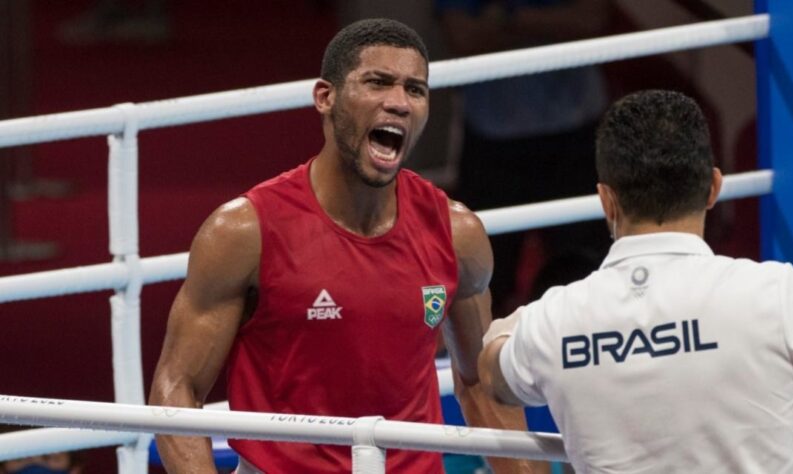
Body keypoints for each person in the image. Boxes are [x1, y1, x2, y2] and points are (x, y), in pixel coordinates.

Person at [477, 89, 793, 473]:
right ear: (714, 189)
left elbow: (492, 373)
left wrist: (504, 332)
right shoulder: (779, 297)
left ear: (606, 200)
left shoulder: (552, 324)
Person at [149, 18, 540, 473]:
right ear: (325, 97)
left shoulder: (457, 233)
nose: (398, 103)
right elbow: (177, 386)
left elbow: (479, 383)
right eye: (377, 82)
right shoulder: (244, 231)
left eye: (415, 89)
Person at [435, 0, 613, 314]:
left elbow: (590, 20)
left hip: (576, 136)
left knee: (587, 280)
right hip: (494, 140)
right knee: (482, 282)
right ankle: (485, 362)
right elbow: (464, 37)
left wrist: (505, 17)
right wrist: (550, 25)